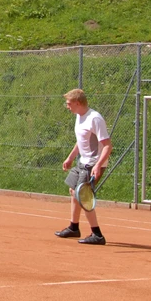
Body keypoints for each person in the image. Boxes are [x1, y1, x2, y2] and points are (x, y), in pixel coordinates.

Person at [56, 88, 112, 245]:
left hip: (93, 163)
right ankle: (74, 227)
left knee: (83, 196)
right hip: (82, 161)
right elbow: (80, 141)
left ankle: (97, 235)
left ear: (78, 103)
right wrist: (70, 158)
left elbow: (107, 146)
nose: (67, 106)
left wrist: (98, 165)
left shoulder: (95, 119)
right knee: (73, 191)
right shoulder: (79, 117)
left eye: (69, 103)